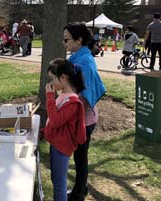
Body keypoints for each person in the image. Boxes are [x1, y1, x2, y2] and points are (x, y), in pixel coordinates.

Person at [63, 22, 106, 201]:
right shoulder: (78, 59)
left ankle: (79, 193)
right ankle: (81, 188)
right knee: (80, 156)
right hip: (82, 117)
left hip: (85, 119)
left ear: (79, 40)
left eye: (67, 40)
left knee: (81, 158)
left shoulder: (84, 63)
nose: (64, 43)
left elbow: (82, 95)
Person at [43, 58, 86, 201]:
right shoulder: (63, 95)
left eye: (53, 78)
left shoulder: (73, 102)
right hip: (56, 144)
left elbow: (55, 120)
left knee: (60, 186)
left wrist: (49, 96)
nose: (51, 82)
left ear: (63, 77)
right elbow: (56, 122)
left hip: (62, 148)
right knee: (56, 180)